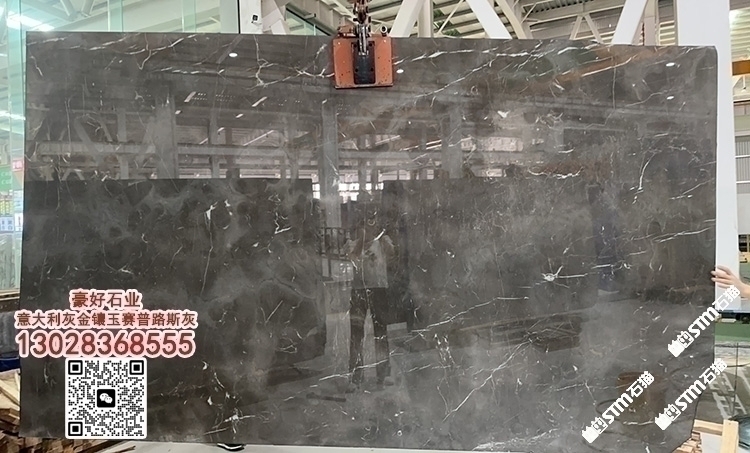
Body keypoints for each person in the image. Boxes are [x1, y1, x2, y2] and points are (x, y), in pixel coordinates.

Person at [345, 199, 395, 391]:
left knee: (381, 332)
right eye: (364, 224)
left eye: (371, 223)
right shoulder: (352, 244)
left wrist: (381, 239)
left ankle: (383, 374)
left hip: (379, 289)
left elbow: (392, 254)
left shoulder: (382, 241)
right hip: (358, 290)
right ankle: (355, 378)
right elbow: (352, 260)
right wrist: (361, 242)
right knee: (356, 333)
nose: (368, 227)